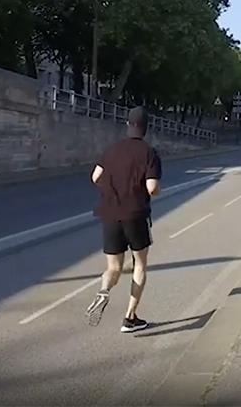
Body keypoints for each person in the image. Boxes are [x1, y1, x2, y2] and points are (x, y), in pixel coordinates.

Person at [85, 106, 162, 333]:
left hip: (110, 213)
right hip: (136, 214)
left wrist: (112, 191)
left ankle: (104, 290)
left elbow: (95, 176)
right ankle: (130, 318)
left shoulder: (112, 149)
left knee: (114, 267)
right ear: (146, 128)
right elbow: (152, 187)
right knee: (140, 263)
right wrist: (151, 191)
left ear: (128, 124)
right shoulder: (149, 153)